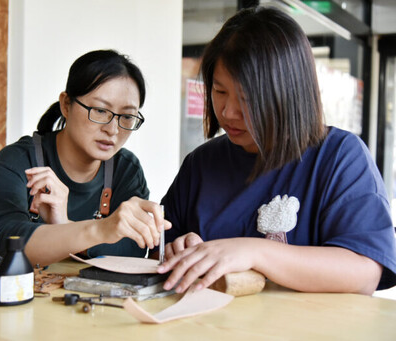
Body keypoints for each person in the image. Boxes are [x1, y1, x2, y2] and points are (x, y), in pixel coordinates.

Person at [158, 7, 396, 295]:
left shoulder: (339, 156)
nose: (228, 112)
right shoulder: (201, 164)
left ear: (288, 95)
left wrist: (255, 252)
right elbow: (160, 252)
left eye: (246, 99)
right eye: (219, 91)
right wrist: (177, 250)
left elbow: (365, 272)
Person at [0, 50, 170, 266]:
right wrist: (101, 230)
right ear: (66, 105)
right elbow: (4, 240)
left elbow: (133, 250)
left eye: (127, 117)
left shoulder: (126, 169)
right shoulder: (19, 160)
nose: (113, 130)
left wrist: (64, 223)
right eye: (100, 111)